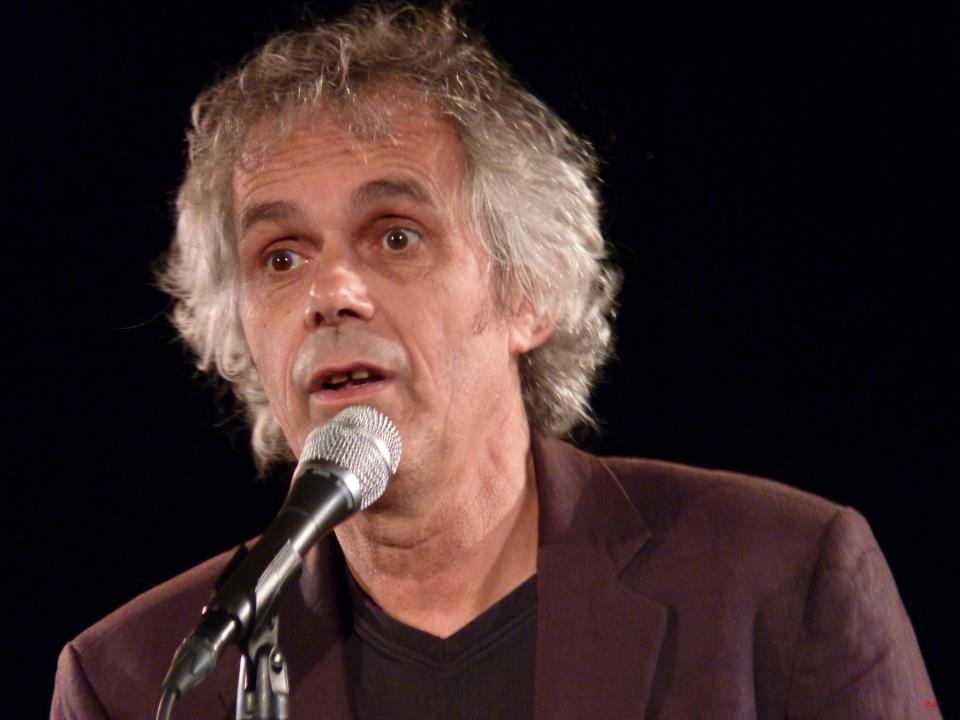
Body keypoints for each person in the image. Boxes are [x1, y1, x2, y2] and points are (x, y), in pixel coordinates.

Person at [51, 3, 939, 719]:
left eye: (396, 236)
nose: (331, 291)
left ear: (528, 291)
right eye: (280, 257)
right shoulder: (137, 681)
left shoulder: (779, 580)